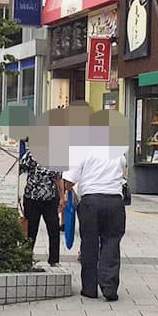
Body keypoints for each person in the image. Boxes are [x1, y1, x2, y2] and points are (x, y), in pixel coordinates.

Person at [63, 124, 128, 302]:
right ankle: (109, 287)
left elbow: (69, 180)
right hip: (115, 202)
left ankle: (90, 288)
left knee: (89, 244)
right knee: (111, 243)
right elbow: (123, 172)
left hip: (91, 202)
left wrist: (66, 194)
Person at [19, 142, 63, 268]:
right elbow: (19, 169)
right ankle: (26, 258)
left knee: (54, 228)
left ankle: (54, 259)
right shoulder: (31, 155)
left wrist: (62, 196)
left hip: (50, 199)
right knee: (31, 230)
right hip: (32, 198)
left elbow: (58, 178)